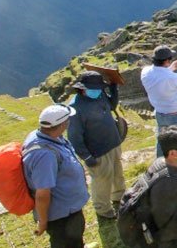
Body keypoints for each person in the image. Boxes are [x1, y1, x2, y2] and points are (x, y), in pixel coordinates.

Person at [22, 104, 90, 248]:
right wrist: (43, 221)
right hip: (61, 216)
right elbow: (42, 193)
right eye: (67, 121)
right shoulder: (44, 156)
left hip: (69, 208)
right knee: (67, 243)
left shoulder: (47, 137)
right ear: (61, 124)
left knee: (76, 240)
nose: (69, 123)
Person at [67, 71, 125, 219]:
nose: (97, 91)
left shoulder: (100, 95)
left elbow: (111, 106)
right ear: (82, 88)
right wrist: (86, 156)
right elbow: (74, 136)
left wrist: (113, 88)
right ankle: (103, 209)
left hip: (113, 142)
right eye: (94, 88)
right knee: (102, 181)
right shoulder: (75, 108)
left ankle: (119, 197)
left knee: (117, 173)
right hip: (97, 151)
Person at [141, 45, 177, 172]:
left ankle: (160, 166)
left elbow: (160, 76)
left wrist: (170, 69)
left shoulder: (145, 72)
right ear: (166, 61)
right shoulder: (172, 77)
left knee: (162, 140)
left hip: (160, 113)